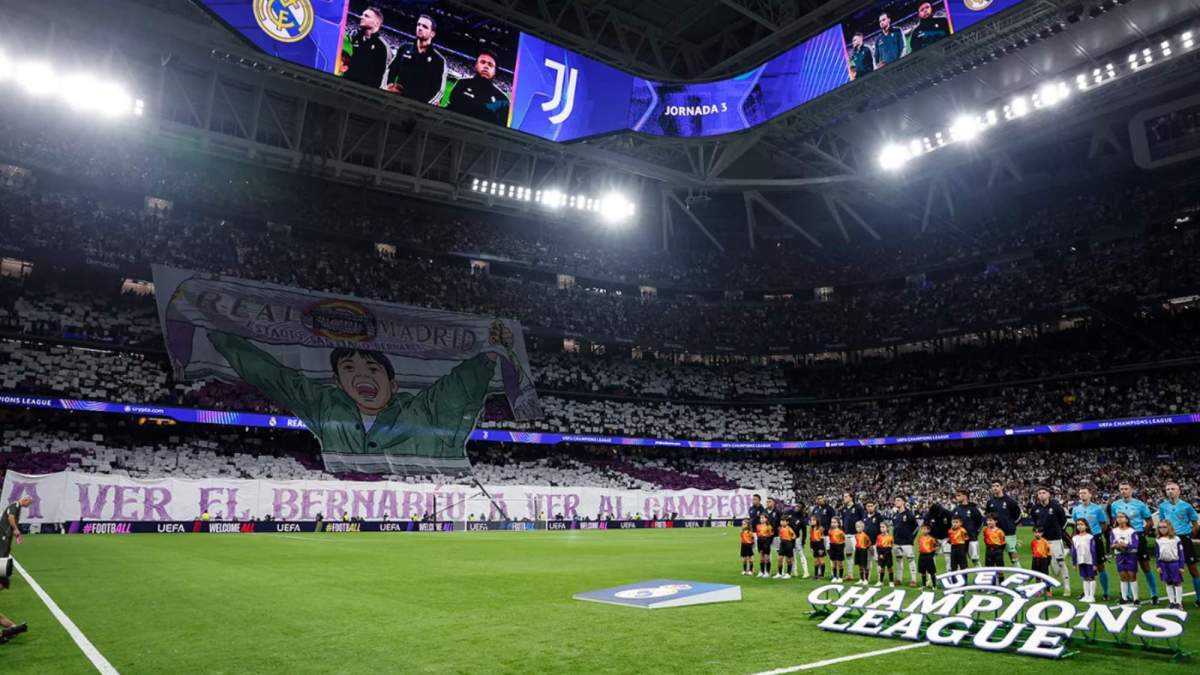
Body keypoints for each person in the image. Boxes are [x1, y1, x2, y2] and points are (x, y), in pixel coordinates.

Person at [208, 321, 514, 464]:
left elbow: (457, 388)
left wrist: (489, 354)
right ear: (339, 383)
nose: (362, 374)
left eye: (372, 367)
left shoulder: (422, 412)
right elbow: (273, 376)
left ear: (393, 384)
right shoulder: (326, 406)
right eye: (350, 368)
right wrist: (215, 331)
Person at [1109, 481, 1159, 604]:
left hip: (1137, 536)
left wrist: (1141, 534)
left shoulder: (1140, 504)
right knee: (1125, 568)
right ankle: (1127, 595)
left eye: (1126, 488)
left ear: (1131, 490)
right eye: (1121, 489)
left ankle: (1154, 594)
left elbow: (1149, 522)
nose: (1123, 491)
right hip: (1121, 538)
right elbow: (1114, 521)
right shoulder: (1115, 505)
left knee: (1145, 566)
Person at [386, 14, 448, 105]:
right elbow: (390, 70)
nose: (420, 28)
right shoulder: (404, 48)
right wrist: (388, 87)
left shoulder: (438, 60)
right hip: (395, 102)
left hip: (417, 108)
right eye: (418, 24)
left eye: (424, 26)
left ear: (432, 34)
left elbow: (439, 91)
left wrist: (423, 107)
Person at [1157, 481, 1200, 607]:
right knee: (1170, 569)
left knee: (1193, 569)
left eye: (1173, 489)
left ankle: (1199, 598)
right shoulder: (1163, 506)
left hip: (1184, 538)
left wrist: (1188, 536)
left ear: (1179, 491)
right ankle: (1174, 601)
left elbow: (1195, 525)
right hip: (1169, 540)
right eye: (1168, 489)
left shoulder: (1186, 506)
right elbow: (1162, 523)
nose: (1170, 491)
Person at [445, 50, 510, 126]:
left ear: (495, 71)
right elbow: (450, 109)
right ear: (476, 65)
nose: (486, 66)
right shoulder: (462, 83)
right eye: (482, 62)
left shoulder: (502, 100)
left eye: (490, 65)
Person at [1029, 487, 1071, 596]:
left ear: (1048, 494)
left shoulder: (1056, 506)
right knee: (1043, 564)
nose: (1041, 495)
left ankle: (1067, 586)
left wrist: (1057, 532)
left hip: (1055, 539)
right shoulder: (1035, 509)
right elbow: (1036, 523)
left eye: (1044, 493)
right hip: (1042, 541)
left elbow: (1064, 522)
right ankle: (1047, 588)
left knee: (1061, 562)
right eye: (1039, 493)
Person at [1071, 487, 1110, 601]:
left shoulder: (1097, 509)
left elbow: (1104, 524)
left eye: (1084, 493)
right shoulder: (1076, 509)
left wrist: (1096, 535)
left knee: (1100, 566)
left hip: (1095, 538)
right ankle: (1086, 593)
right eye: (1080, 493)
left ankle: (1105, 592)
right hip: (1082, 539)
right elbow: (1076, 525)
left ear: (1090, 495)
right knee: (1084, 564)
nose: (1082, 495)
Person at [340, 6, 389, 88]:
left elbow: (378, 76)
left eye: (366, 16)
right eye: (362, 15)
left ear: (376, 23)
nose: (361, 17)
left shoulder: (381, 47)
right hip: (344, 85)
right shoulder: (353, 36)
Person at [985, 481, 1023, 566]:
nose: (995, 488)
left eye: (997, 486)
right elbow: (988, 516)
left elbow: (1019, 515)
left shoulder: (1010, 501)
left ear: (1002, 487)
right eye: (993, 486)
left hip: (1008, 533)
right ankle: (998, 578)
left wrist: (1012, 525)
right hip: (995, 535)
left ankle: (1020, 574)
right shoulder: (990, 502)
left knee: (1013, 556)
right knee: (995, 558)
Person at [1154, 521, 1187, 610]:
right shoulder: (1158, 540)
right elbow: (1157, 554)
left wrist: (1181, 566)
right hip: (1163, 563)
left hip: (1174, 563)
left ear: (1169, 527)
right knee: (1168, 582)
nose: (1162, 529)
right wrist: (1158, 566)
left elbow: (1181, 553)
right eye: (1160, 527)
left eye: (1164, 527)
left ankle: (1179, 603)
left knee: (1177, 582)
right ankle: (1171, 602)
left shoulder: (1176, 539)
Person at [1110, 511, 1140, 605]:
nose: (1119, 518)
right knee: (1123, 576)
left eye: (1122, 517)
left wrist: (1126, 545)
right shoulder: (1114, 531)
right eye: (1118, 517)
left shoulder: (1131, 531)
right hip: (1120, 555)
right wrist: (1116, 545)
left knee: (1132, 576)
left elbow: (1135, 544)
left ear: (1126, 519)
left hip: (1131, 555)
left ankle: (1135, 598)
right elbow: (1111, 543)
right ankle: (1124, 598)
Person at [952, 490, 984, 567]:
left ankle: (979, 577)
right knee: (960, 561)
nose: (957, 497)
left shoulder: (973, 509)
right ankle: (962, 578)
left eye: (959, 495)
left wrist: (975, 533)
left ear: (965, 496)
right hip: (959, 540)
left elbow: (981, 522)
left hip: (971, 538)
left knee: (975, 560)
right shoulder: (956, 510)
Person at [892, 496, 919, 587]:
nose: (896, 502)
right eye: (896, 500)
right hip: (897, 542)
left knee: (911, 560)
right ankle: (899, 579)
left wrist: (911, 538)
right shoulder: (895, 515)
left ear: (903, 502)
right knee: (898, 561)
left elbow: (916, 527)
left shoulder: (909, 514)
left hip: (907, 542)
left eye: (898, 500)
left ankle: (914, 580)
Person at [1070, 519, 1099, 603]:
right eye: (1078, 524)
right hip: (1081, 560)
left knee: (1091, 577)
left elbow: (1093, 550)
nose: (1080, 526)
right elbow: (1073, 551)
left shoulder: (1090, 537)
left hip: (1089, 560)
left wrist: (1094, 563)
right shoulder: (1075, 538)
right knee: (1084, 577)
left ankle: (1091, 596)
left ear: (1086, 526)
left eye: (1082, 524)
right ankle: (1086, 595)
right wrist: (1074, 563)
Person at [837, 493, 865, 569]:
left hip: (856, 535)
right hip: (846, 535)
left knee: (859, 554)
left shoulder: (858, 507)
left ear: (851, 498)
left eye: (846, 497)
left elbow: (863, 519)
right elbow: (842, 522)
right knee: (848, 555)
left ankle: (862, 576)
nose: (844, 498)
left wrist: (861, 530)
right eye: (844, 496)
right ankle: (850, 574)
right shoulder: (843, 509)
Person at [862, 500, 885, 579]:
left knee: (878, 561)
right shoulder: (864, 515)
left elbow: (883, 529)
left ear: (874, 507)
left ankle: (880, 579)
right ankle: (866, 579)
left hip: (876, 543)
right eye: (868, 506)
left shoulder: (879, 516)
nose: (870, 508)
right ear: (866, 507)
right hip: (866, 544)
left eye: (871, 506)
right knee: (867, 562)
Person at [1030, 527, 1052, 596]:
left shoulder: (1045, 541)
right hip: (1036, 560)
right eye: (1035, 532)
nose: (1037, 534)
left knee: (1045, 576)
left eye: (1039, 532)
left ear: (1042, 533)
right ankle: (1038, 590)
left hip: (1043, 560)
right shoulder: (1033, 542)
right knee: (1037, 576)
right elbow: (1033, 551)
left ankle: (1048, 590)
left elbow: (1049, 552)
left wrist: (1048, 561)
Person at [916, 524, 938, 588]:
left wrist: (932, 552)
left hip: (929, 556)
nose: (924, 530)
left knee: (931, 572)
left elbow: (936, 546)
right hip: (922, 556)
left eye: (926, 529)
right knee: (922, 571)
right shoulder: (920, 538)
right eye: (923, 529)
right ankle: (924, 585)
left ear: (929, 530)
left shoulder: (931, 538)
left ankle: (934, 585)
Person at [876, 522, 895, 587]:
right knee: (881, 568)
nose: (881, 528)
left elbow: (889, 548)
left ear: (887, 528)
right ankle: (881, 581)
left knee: (889, 568)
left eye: (883, 527)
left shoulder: (890, 537)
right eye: (880, 527)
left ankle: (891, 581)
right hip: (881, 553)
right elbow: (877, 547)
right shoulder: (878, 536)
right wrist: (879, 554)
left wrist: (883, 555)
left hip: (887, 554)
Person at [828, 517, 846, 583]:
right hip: (832, 547)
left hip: (839, 547)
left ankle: (840, 577)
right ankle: (835, 576)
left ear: (838, 523)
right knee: (833, 563)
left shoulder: (841, 532)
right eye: (832, 522)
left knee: (840, 563)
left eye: (835, 522)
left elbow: (843, 541)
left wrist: (841, 548)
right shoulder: (830, 531)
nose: (833, 524)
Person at [809, 516, 827, 580]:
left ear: (817, 521)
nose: (812, 521)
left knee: (821, 561)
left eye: (814, 520)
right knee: (816, 561)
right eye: (811, 520)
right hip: (814, 546)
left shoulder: (820, 529)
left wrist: (821, 549)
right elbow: (811, 539)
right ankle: (816, 575)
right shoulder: (811, 529)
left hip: (820, 546)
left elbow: (821, 539)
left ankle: (822, 575)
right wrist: (811, 547)